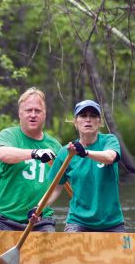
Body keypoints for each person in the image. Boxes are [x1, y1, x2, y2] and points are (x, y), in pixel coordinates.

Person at [30, 99, 125, 232]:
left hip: (112, 223)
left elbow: (110, 157)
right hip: (78, 223)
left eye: (93, 116)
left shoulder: (109, 140)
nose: (88, 120)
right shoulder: (65, 152)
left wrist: (85, 152)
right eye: (83, 116)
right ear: (75, 122)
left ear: (99, 122)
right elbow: (56, 188)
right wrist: (38, 208)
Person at [0, 87, 62, 232]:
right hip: (2, 218)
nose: (33, 115)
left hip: (39, 219)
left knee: (51, 245)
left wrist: (40, 208)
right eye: (28, 110)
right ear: (20, 113)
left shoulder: (55, 146)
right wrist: (35, 153)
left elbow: (58, 186)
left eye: (37, 111)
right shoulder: (8, 136)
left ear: (44, 115)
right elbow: (3, 154)